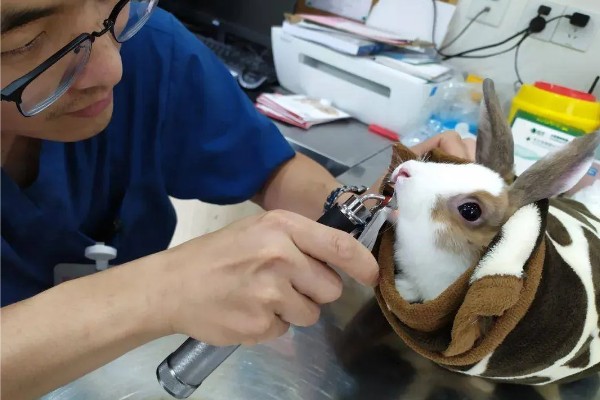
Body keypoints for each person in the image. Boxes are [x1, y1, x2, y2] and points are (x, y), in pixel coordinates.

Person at [0, 1, 475, 398]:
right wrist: (153, 293)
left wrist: (369, 213)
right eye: (25, 43)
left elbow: (269, 169)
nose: (112, 69)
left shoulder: (145, 47)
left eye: (110, 3)